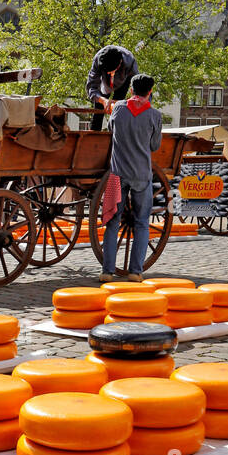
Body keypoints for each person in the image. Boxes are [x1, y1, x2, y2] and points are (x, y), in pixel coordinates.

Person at [100, 73, 162, 280]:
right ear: (150, 91)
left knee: (112, 221)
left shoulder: (118, 108)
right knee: (142, 222)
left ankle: (107, 271)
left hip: (117, 174)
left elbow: (111, 129)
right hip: (141, 175)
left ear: (131, 90)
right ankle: (135, 271)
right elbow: (154, 146)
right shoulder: (155, 115)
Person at [86, 45, 139, 132]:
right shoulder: (98, 60)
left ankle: (116, 132)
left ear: (120, 63)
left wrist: (134, 103)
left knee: (118, 109)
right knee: (98, 110)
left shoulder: (130, 61)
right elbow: (91, 87)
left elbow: (139, 86)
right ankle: (94, 132)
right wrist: (103, 101)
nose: (110, 74)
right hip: (104, 84)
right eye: (108, 72)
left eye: (111, 71)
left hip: (123, 81)